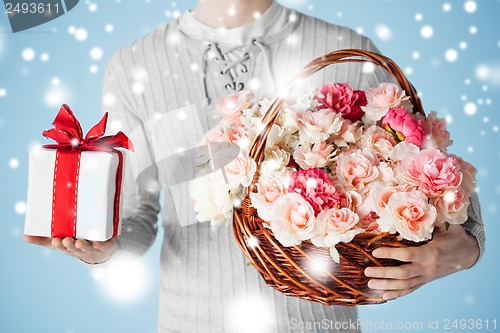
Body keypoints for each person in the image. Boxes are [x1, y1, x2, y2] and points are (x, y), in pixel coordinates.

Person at [25, 0, 484, 332]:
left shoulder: (344, 50)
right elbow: (140, 217)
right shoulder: (132, 66)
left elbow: (448, 190)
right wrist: (104, 249)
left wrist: (460, 251)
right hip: (189, 323)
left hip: (319, 326)